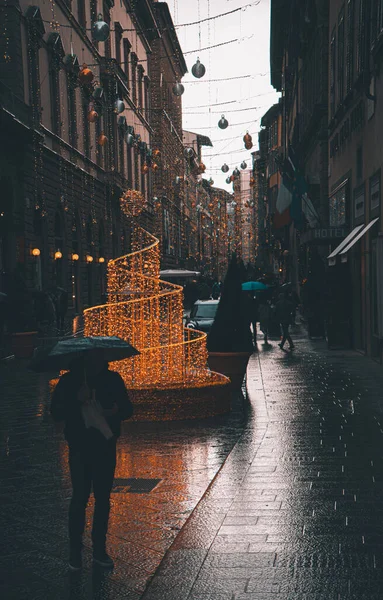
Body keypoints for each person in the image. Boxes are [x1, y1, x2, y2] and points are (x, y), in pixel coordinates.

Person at [51, 350, 134, 571]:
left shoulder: (113, 379)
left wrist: (114, 411)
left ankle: (99, 550)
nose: (99, 363)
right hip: (79, 446)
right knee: (79, 497)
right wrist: (76, 400)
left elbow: (128, 408)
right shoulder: (69, 381)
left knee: (103, 498)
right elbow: (56, 412)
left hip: (105, 446)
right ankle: (75, 552)